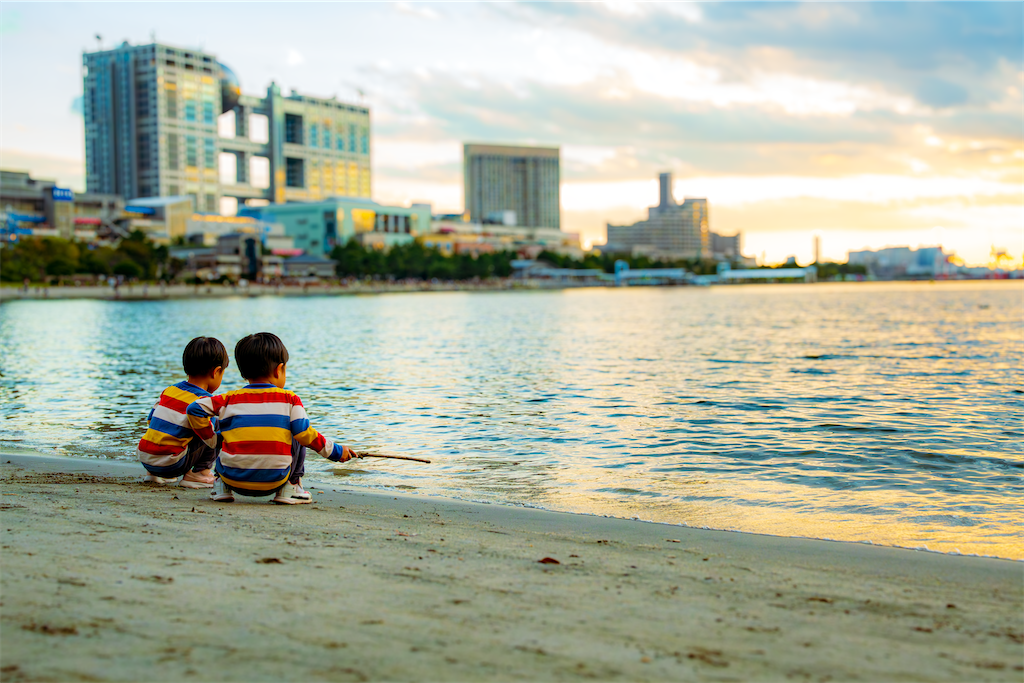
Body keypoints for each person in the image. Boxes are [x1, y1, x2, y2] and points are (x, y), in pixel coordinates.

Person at [186, 332, 355, 505]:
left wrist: (213, 439)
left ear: (243, 372)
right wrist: (335, 451)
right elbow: (306, 435)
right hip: (274, 481)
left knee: (227, 427)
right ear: (279, 369)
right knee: (297, 431)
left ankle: (221, 486)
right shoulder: (290, 400)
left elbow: (194, 409)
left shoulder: (228, 399)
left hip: (232, 479)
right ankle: (291, 486)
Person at [137, 337, 228, 488]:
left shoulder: (170, 390)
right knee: (216, 425)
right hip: (172, 465)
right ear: (216, 372)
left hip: (146, 459)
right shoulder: (204, 401)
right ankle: (200, 473)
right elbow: (209, 437)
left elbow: (151, 420)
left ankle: (152, 475)